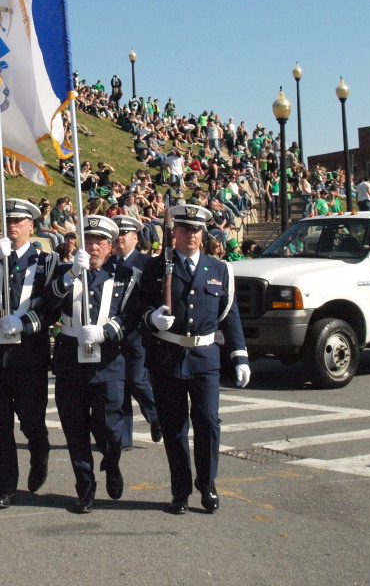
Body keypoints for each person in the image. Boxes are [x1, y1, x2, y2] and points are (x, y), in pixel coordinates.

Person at [140, 204, 250, 514]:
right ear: (173, 232)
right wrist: (152, 319)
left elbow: (230, 316)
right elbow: (139, 309)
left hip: (205, 358)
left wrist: (239, 355)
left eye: (197, 229)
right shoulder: (155, 267)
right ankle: (180, 489)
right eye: (185, 228)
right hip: (168, 357)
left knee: (209, 424)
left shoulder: (219, 269)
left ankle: (208, 481)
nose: (191, 234)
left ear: (203, 233)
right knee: (175, 428)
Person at [48, 215, 141, 513]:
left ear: (111, 246)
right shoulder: (66, 272)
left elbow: (131, 317)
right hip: (71, 359)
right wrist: (69, 276)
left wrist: (107, 331)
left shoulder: (124, 275)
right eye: (88, 240)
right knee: (74, 428)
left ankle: (111, 463)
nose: (94, 246)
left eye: (101, 241)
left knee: (110, 428)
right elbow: (47, 303)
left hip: (108, 362)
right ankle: (84, 488)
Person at [0, 199, 60, 509]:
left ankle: (39, 448)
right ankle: (4, 487)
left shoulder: (46, 261)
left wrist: (26, 323)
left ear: (31, 227)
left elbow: (51, 306)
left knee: (30, 417)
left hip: (29, 347)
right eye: (8, 219)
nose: (12, 225)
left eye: (19, 221)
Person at [110, 215, 162, 448]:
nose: (119, 238)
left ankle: (157, 416)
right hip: (114, 331)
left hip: (138, 332)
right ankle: (123, 438)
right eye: (117, 234)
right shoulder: (109, 263)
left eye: (124, 234)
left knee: (138, 380)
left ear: (135, 237)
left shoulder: (146, 263)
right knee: (119, 385)